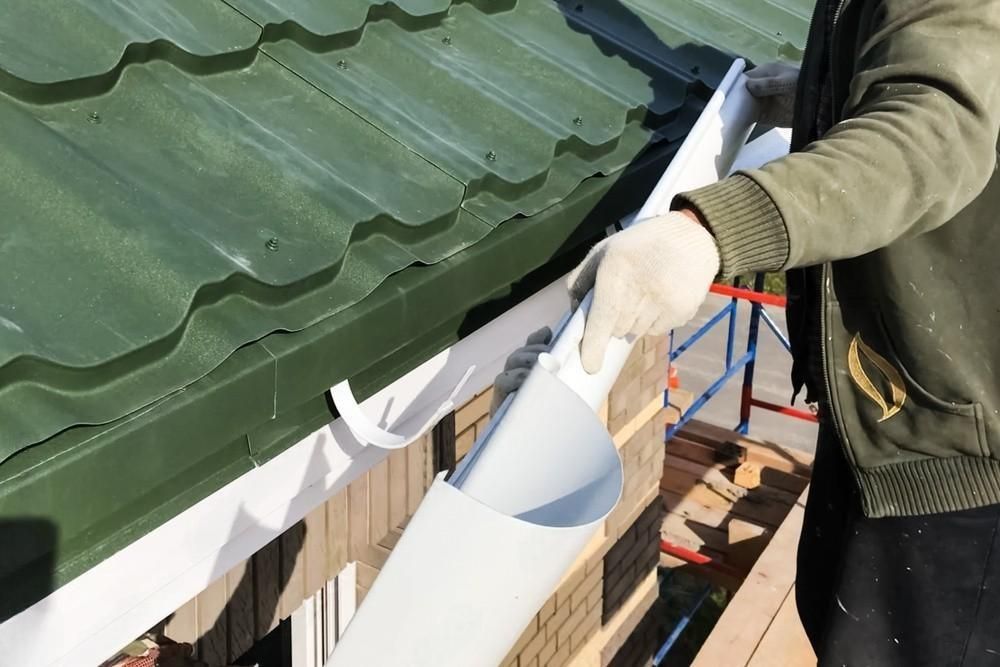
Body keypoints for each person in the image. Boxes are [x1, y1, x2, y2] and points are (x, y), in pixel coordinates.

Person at [495, 1, 1000, 664]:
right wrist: (829, 95)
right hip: (886, 423)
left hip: (952, 464)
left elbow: (939, 132)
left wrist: (711, 231)